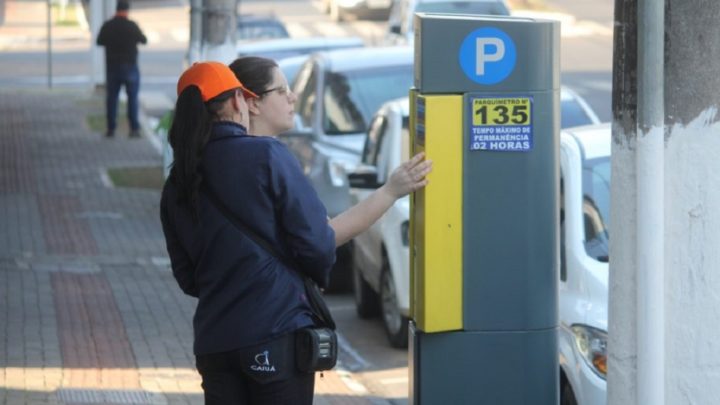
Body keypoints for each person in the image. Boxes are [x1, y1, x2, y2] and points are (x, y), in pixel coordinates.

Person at [160, 61, 431, 405]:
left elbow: (188, 278)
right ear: (237, 103)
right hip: (275, 333)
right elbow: (318, 244)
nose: (292, 97)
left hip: (215, 344)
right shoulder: (267, 155)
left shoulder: (176, 183)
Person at [96, 0, 147, 138]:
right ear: (127, 10)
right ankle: (134, 129)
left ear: (116, 9)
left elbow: (99, 41)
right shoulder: (132, 26)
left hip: (112, 67)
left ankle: (111, 129)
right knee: (132, 99)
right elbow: (144, 40)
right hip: (130, 67)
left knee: (112, 99)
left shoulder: (108, 25)